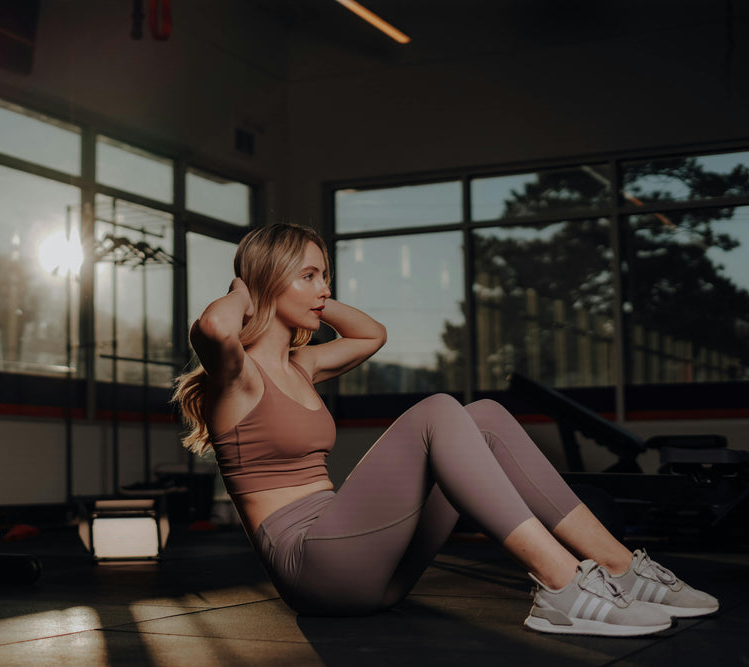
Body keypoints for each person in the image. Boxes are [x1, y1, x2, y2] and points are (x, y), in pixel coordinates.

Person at [172, 222, 718, 636]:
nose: (323, 289)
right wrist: (251, 288)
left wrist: (309, 296)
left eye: (326, 277)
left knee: (482, 417)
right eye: (310, 275)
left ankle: (619, 566)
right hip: (314, 566)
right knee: (436, 409)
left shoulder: (302, 365)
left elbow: (372, 335)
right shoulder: (236, 377)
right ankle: (561, 585)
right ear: (266, 281)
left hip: (368, 569)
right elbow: (216, 325)